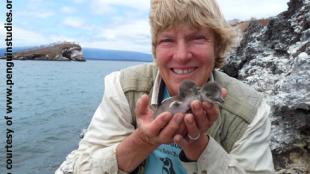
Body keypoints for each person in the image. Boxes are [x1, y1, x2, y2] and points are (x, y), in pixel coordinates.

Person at [56, 0, 274, 173]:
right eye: (167, 40)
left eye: (197, 38)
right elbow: (81, 168)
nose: (181, 56)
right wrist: (143, 140)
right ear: (155, 49)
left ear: (217, 47)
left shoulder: (250, 110)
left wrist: (199, 147)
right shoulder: (122, 87)